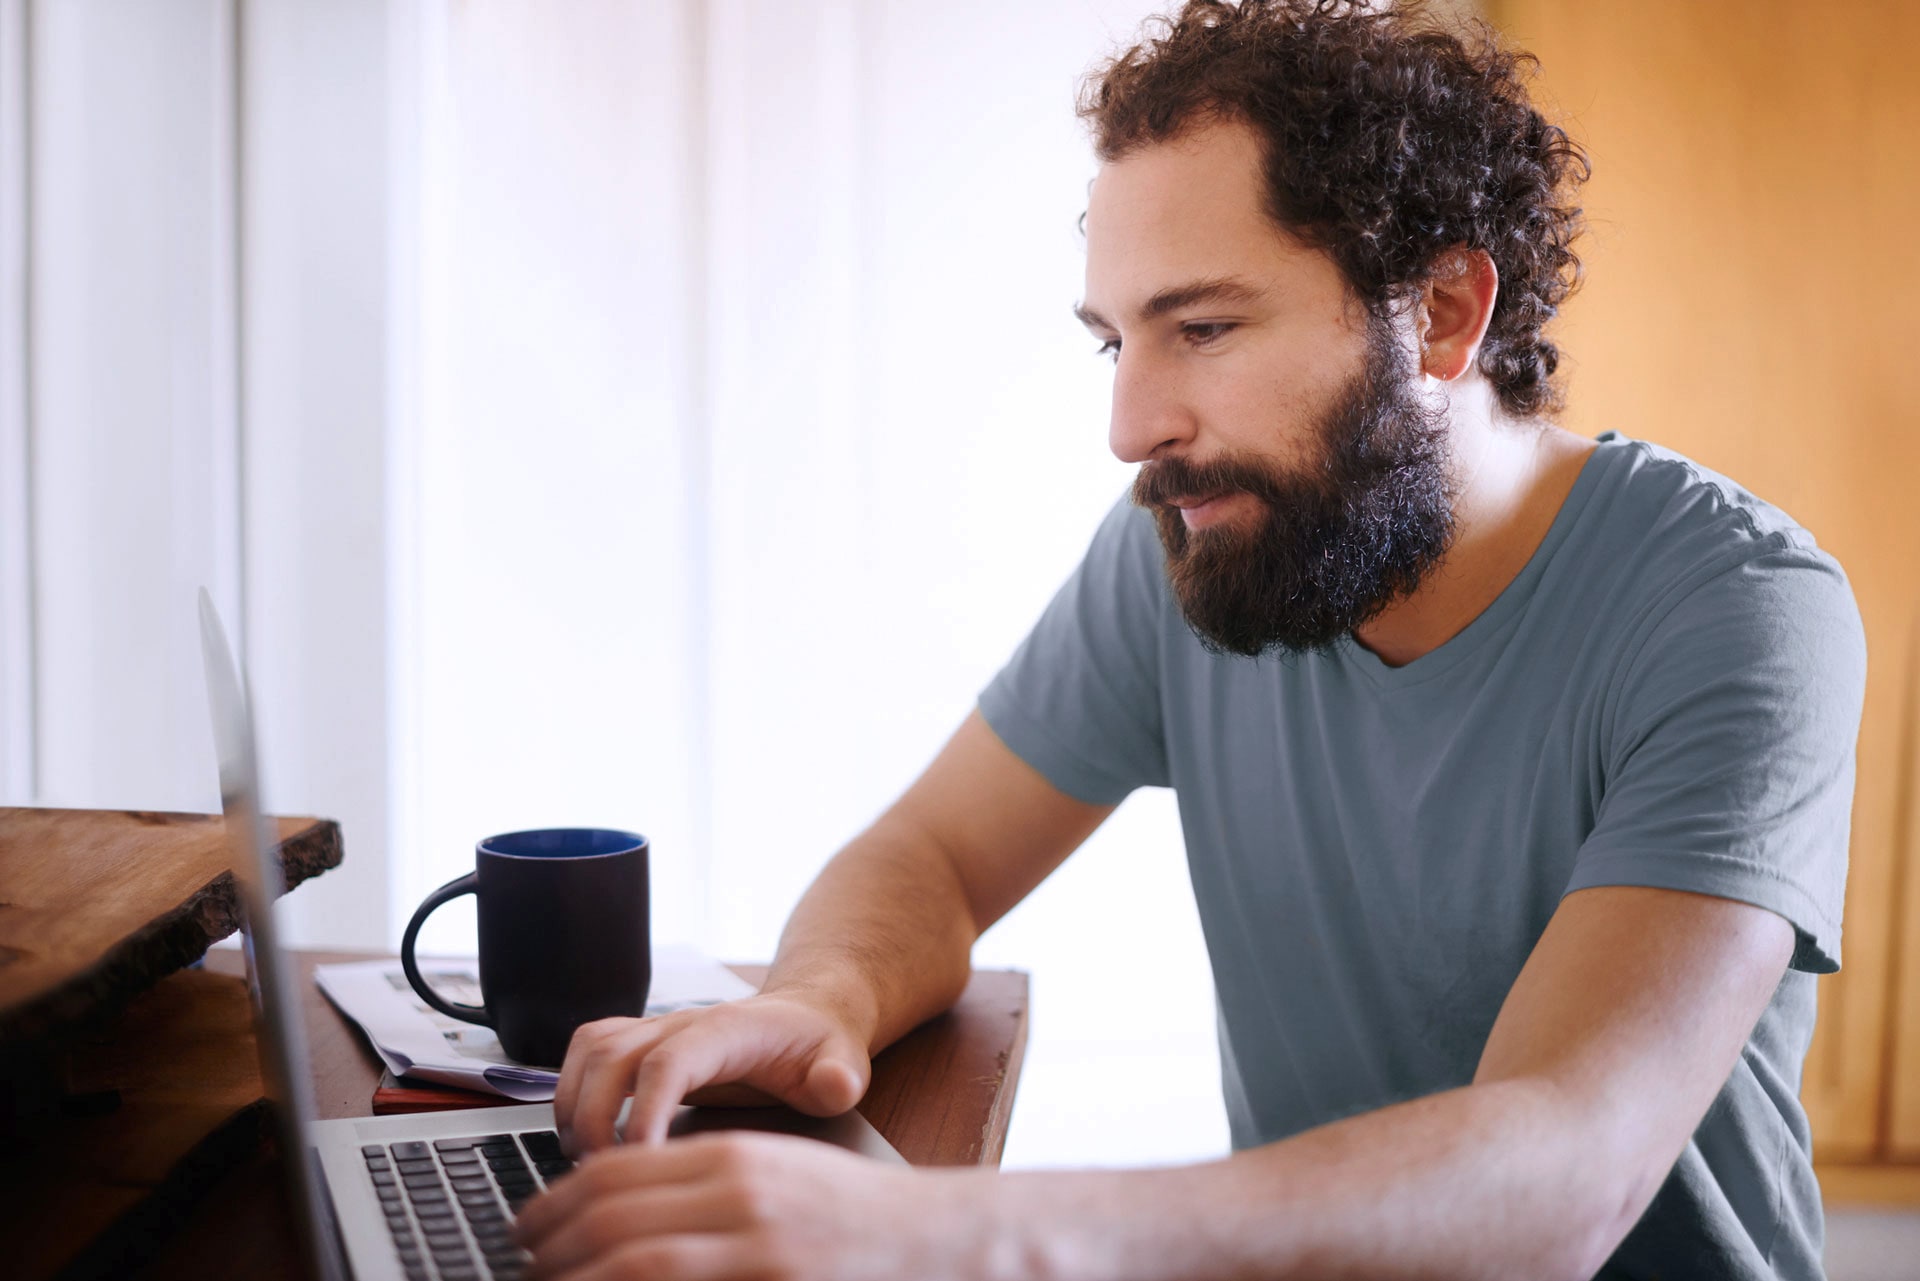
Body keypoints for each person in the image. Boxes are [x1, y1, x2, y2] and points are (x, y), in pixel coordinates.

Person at [513, 1, 1865, 1277]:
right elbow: (929, 854)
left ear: (1444, 313)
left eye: (1203, 328)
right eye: (1118, 343)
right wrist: (825, 997)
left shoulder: (1739, 609)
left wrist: (947, 1233)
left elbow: (1565, 1169)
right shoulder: (1196, 540)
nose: (1132, 425)